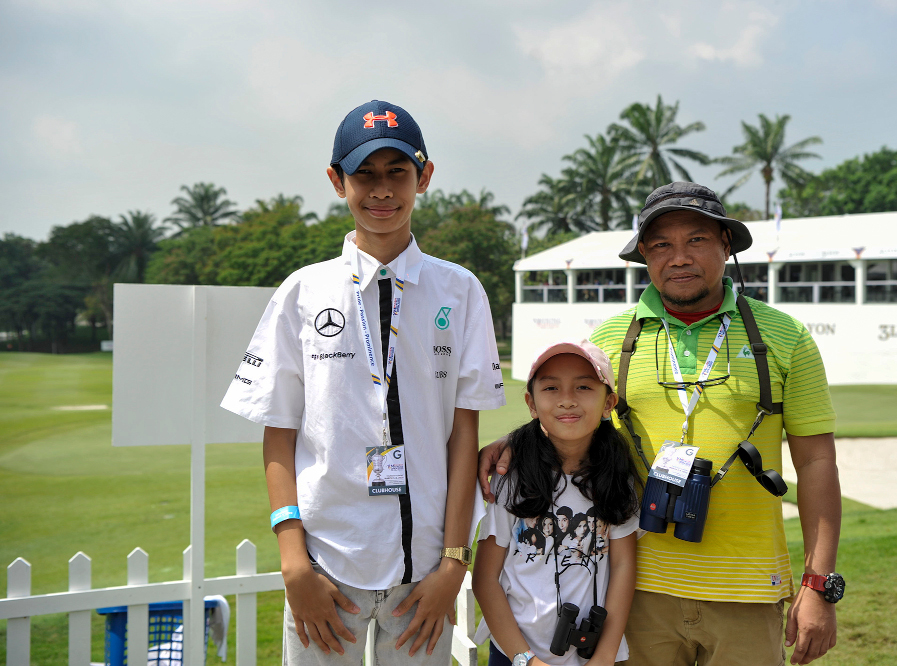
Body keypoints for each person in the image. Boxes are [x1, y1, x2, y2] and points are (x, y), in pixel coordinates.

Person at [480, 182, 843, 666]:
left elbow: (817, 461)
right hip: (635, 592)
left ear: (726, 244)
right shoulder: (611, 337)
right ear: (645, 256)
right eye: (661, 245)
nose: (679, 258)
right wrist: (513, 440)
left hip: (747, 589)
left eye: (696, 240)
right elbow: (571, 411)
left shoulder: (785, 336)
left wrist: (819, 585)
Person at [222, 100, 506, 665]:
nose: (382, 190)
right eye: (364, 175)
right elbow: (279, 433)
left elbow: (463, 436)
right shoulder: (303, 292)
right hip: (325, 570)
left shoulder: (461, 290)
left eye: (397, 173)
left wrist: (454, 564)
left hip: (423, 575)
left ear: (423, 177)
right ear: (337, 181)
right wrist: (293, 562)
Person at [472, 340, 642, 666]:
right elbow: (485, 578)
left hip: (593, 656)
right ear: (531, 403)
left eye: (583, 387)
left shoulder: (617, 478)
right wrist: (525, 659)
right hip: (515, 653)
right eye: (551, 387)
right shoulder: (512, 478)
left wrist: (606, 654)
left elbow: (622, 567)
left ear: (609, 402)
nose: (566, 400)